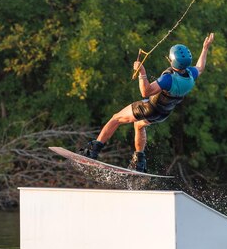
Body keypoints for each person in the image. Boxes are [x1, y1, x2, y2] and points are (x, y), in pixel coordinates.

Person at [80, 33, 215, 172]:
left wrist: (142, 73)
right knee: (139, 125)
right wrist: (205, 48)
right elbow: (201, 67)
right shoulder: (191, 75)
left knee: (115, 118)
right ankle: (139, 161)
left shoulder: (168, 79)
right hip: (163, 114)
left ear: (172, 61)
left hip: (149, 108)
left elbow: (146, 92)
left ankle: (93, 151)